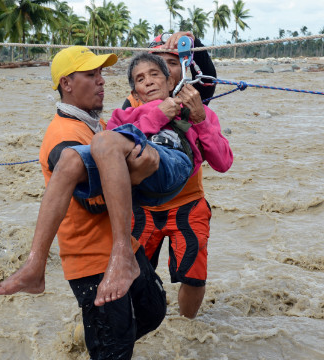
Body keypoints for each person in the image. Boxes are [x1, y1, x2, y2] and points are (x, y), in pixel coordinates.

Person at [0, 46, 169, 359]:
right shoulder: (63, 138)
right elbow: (93, 202)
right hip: (92, 261)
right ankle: (100, 338)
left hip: (123, 245)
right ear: (66, 84)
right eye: (91, 75)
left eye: (101, 74)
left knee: (153, 310)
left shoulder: (96, 125)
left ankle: (94, 335)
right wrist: (136, 178)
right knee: (115, 350)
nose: (101, 81)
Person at [126, 32, 233, 319]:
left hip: (188, 205)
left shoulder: (200, 109)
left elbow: (223, 163)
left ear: (182, 70)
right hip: (142, 208)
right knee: (131, 278)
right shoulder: (130, 109)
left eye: (171, 63)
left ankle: (186, 332)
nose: (158, 73)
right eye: (150, 67)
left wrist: (199, 120)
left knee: (194, 276)